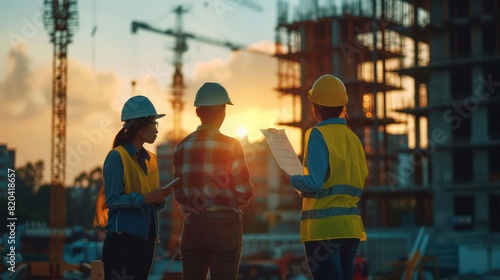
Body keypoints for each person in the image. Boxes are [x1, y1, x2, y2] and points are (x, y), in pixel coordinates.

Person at [280, 74, 369, 280]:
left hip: (324, 232)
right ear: (342, 106)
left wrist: (291, 179)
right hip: (351, 228)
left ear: (315, 107)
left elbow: (315, 182)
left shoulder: (318, 134)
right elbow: (359, 178)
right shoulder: (353, 138)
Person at [172, 82, 254, 280]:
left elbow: (179, 195)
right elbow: (243, 192)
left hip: (192, 227)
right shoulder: (232, 146)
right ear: (222, 111)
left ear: (198, 112)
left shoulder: (181, 147)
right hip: (224, 226)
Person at [94, 95, 173, 280]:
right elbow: (113, 200)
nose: (156, 129)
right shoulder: (116, 157)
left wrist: (158, 199)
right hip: (123, 239)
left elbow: (150, 202)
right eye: (154, 123)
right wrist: (146, 198)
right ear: (139, 127)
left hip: (147, 238)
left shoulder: (152, 160)